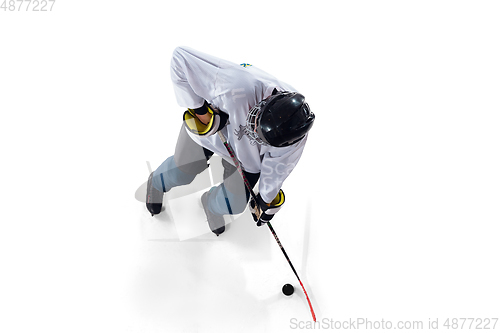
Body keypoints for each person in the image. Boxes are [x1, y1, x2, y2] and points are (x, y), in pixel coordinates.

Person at [146, 46, 315, 236]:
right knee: (182, 172)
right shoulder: (238, 84)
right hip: (213, 133)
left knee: (232, 203)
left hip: (248, 159)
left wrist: (266, 201)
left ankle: (211, 203)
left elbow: (276, 170)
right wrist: (201, 112)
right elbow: (180, 59)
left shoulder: (294, 139)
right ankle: (157, 182)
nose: (252, 132)